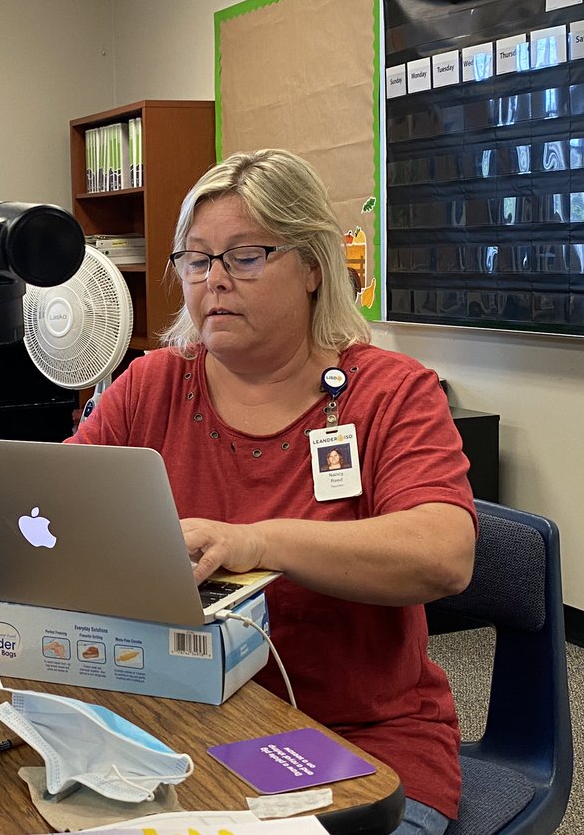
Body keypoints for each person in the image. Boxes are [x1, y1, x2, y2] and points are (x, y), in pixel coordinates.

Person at [69, 149, 476, 834]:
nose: (214, 282)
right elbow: (54, 510)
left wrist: (252, 542)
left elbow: (443, 553)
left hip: (357, 745)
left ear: (314, 266)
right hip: (177, 723)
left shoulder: (392, 392)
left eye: (245, 256)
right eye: (196, 260)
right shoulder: (151, 386)